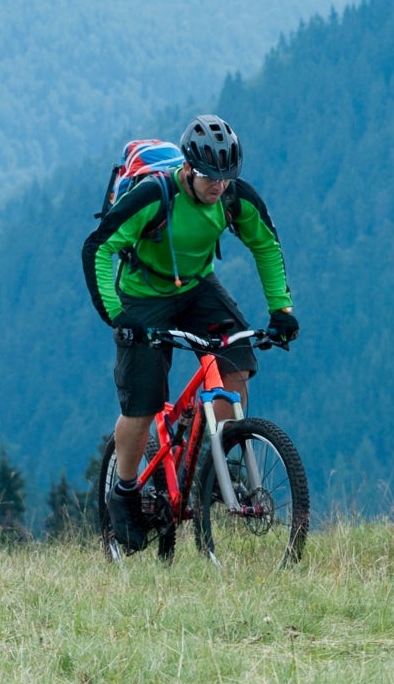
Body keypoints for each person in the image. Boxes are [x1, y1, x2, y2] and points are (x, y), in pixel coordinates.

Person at [82, 113, 298, 552]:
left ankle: (218, 460)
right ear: (188, 168)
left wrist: (281, 310)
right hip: (143, 295)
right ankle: (124, 492)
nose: (218, 186)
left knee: (236, 361)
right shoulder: (153, 196)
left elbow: (266, 244)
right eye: (209, 177)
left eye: (226, 177)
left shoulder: (235, 198)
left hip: (197, 287)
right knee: (142, 405)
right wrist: (119, 318)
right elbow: (99, 247)